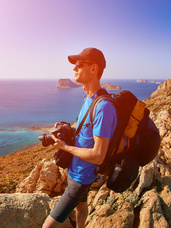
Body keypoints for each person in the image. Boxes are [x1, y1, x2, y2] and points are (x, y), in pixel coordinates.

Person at [43, 48, 117, 228]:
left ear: (93, 69)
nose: (74, 69)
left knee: (48, 226)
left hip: (82, 177)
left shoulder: (104, 107)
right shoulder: (89, 98)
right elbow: (84, 127)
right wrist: (65, 128)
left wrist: (64, 147)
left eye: (79, 65)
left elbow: (98, 155)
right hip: (75, 170)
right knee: (81, 208)